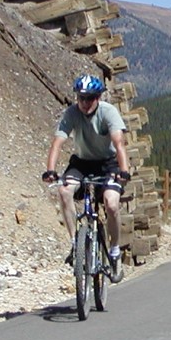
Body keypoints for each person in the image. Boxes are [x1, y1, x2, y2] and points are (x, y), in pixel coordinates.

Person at [42, 75, 130, 283]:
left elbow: (119, 142)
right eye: (81, 98)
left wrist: (124, 170)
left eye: (89, 98)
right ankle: (75, 244)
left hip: (108, 163)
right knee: (64, 191)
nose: (85, 103)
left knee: (111, 203)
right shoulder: (72, 113)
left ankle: (115, 249)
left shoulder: (108, 112)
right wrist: (50, 170)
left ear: (98, 98)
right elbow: (57, 142)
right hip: (81, 163)